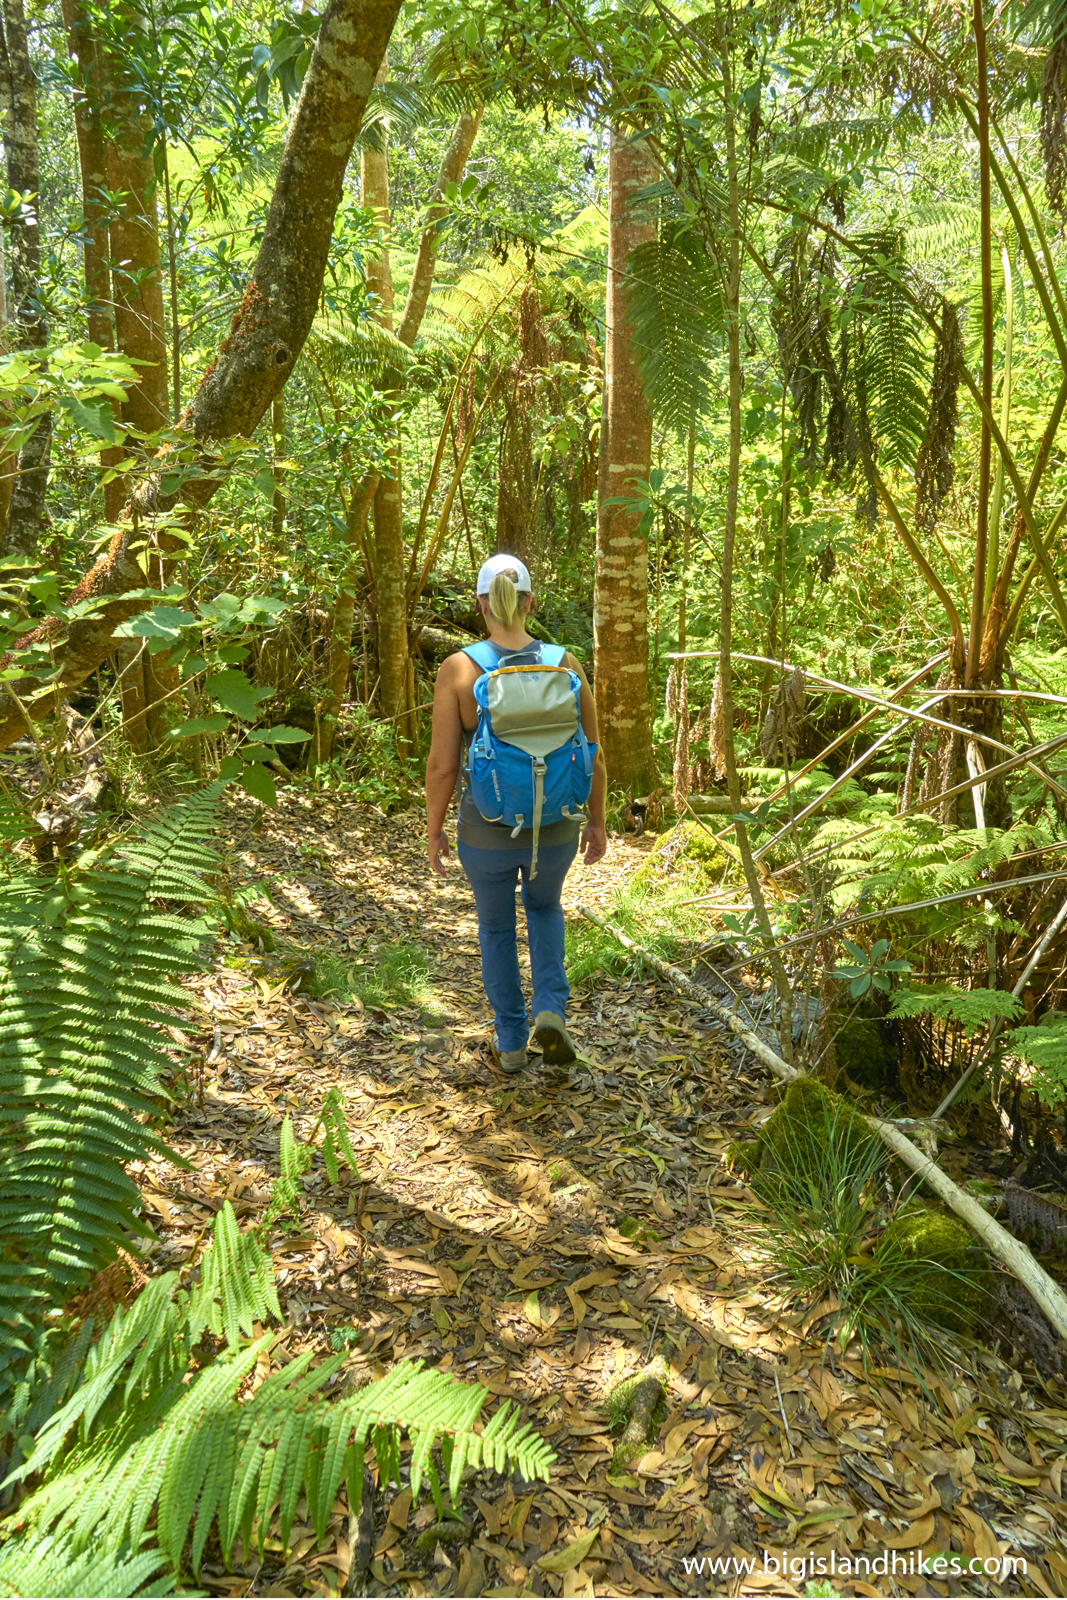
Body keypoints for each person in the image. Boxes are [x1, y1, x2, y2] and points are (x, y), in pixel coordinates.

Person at [425, 554, 607, 1072]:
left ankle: (509, 1042)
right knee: (545, 908)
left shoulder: (460, 668)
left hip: (486, 827)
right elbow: (594, 754)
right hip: (556, 823)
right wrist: (596, 821)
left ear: (480, 604)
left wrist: (434, 830)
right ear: (531, 602)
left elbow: (443, 765)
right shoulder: (564, 664)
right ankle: (550, 1009)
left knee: (496, 928)